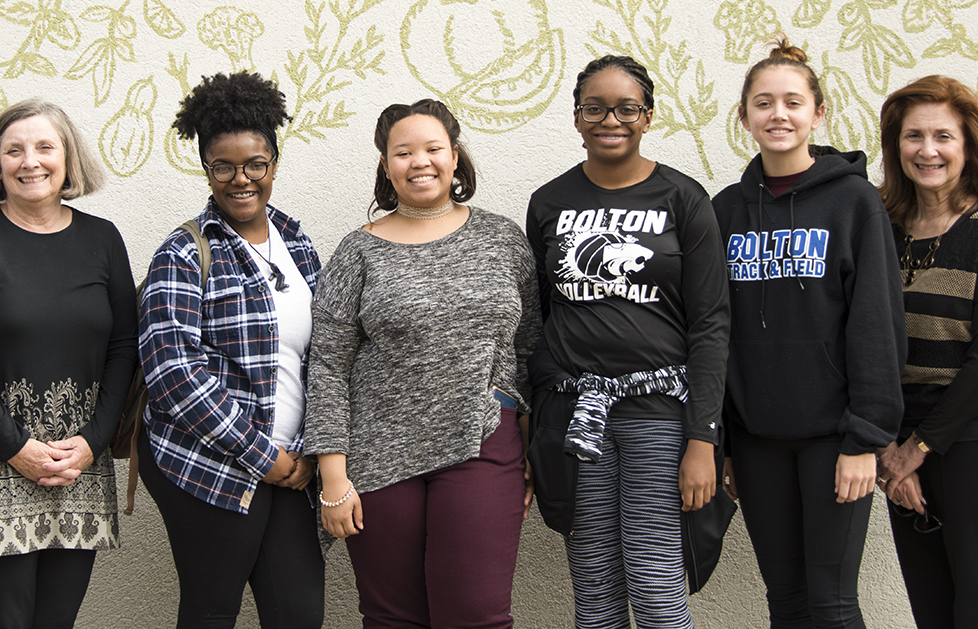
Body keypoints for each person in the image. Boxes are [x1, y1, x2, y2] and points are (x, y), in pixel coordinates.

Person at [306, 98, 540, 628]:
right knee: (393, 618)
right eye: (403, 152)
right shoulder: (357, 252)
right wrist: (333, 478)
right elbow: (327, 367)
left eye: (433, 149)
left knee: (476, 613)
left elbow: (529, 350)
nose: (420, 162)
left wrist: (533, 447)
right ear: (386, 166)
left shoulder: (501, 239)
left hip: (484, 440)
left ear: (454, 157)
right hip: (380, 454)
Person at [525, 55, 729, 628]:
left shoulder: (684, 199)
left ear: (647, 116)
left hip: (659, 414)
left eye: (625, 107)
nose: (609, 119)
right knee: (594, 587)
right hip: (577, 414)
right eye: (595, 107)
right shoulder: (549, 202)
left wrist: (702, 439)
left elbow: (711, 324)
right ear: (576, 117)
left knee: (656, 577)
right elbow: (539, 317)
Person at [711, 36, 906, 628]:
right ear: (744, 116)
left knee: (832, 603)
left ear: (817, 113)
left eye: (793, 102)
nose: (779, 115)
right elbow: (713, 331)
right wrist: (723, 441)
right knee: (786, 601)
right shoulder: (725, 211)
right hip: (757, 440)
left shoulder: (853, 203)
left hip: (835, 440)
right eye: (764, 103)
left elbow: (877, 323)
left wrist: (865, 439)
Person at [0, 99, 138, 628]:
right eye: (13, 150)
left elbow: (124, 347)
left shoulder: (102, 239)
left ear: (68, 159)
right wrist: (14, 447)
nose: (30, 161)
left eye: (45, 147)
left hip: (76, 464)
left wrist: (93, 441)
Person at [137, 71, 325, 629]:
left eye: (255, 164)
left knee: (298, 615)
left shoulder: (298, 243)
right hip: (210, 465)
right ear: (206, 168)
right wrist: (260, 455)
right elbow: (173, 373)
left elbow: (325, 358)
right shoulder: (183, 252)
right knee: (212, 612)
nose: (241, 179)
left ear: (273, 162)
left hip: (294, 463)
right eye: (224, 166)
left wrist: (309, 451)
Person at [874, 75, 978, 629]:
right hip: (906, 445)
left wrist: (915, 450)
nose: (928, 150)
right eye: (913, 136)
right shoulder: (886, 231)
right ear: (896, 147)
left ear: (969, 146)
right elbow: (868, 345)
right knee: (934, 612)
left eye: (943, 136)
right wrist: (893, 450)